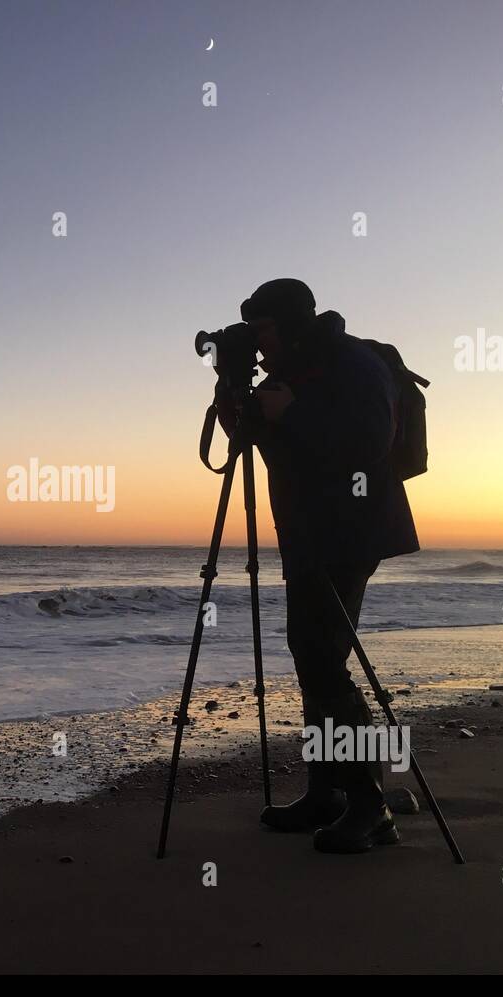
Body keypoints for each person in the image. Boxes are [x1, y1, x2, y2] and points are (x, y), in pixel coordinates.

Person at [218, 279, 420, 854]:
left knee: (320, 659)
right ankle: (326, 794)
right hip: (309, 536)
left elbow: (369, 443)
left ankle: (370, 805)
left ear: (289, 323)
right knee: (315, 661)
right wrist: (234, 396)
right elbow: (256, 440)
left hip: (349, 534)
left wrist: (294, 411)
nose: (258, 345)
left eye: (263, 330)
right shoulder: (298, 370)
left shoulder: (352, 362)